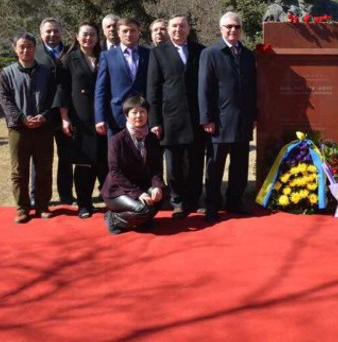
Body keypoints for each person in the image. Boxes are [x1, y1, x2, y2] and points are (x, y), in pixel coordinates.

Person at [198, 12, 257, 223]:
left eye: (237, 27)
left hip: (243, 120)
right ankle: (212, 204)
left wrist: (254, 116)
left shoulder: (248, 55)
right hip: (219, 121)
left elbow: (252, 88)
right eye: (229, 26)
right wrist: (206, 118)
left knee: (240, 164)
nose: (233, 30)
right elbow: (204, 89)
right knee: (215, 165)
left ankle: (235, 200)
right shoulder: (210, 53)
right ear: (221, 28)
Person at [148, 14, 207, 218]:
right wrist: (154, 121)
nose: (178, 30)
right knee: (173, 165)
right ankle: (177, 201)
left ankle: (194, 199)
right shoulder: (158, 53)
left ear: (188, 29)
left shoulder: (201, 51)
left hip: (196, 117)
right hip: (170, 118)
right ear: (168, 29)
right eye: (174, 26)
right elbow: (153, 90)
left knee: (196, 161)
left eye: (182, 26)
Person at [0, 33, 58, 223]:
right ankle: (22, 207)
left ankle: (42, 205)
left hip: (43, 127)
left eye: (29, 46)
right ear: (15, 49)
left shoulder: (46, 71)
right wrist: (22, 118)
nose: (26, 50)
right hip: (19, 129)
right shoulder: (7, 73)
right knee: (19, 170)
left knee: (43, 168)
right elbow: (6, 100)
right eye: (22, 47)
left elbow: (52, 98)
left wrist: (44, 116)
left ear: (35, 48)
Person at [56, 21, 107, 219]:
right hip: (80, 119)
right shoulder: (69, 59)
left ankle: (108, 200)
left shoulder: (105, 57)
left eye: (92, 34)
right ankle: (84, 204)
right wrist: (64, 117)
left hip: (103, 118)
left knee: (104, 163)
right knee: (84, 163)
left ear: (97, 37)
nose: (89, 38)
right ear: (77, 36)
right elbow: (62, 91)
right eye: (85, 34)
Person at [102, 94, 165, 234]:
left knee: (161, 194)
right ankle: (112, 219)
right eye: (134, 112)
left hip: (141, 185)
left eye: (142, 112)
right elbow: (115, 172)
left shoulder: (152, 138)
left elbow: (156, 168)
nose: (139, 116)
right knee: (143, 209)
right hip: (117, 191)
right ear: (126, 115)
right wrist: (137, 193)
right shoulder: (117, 140)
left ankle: (143, 220)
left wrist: (156, 187)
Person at [34, 17, 74, 205]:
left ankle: (66, 195)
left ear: (61, 32)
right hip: (43, 113)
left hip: (67, 113)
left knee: (66, 157)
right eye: (48, 31)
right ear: (41, 34)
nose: (52, 35)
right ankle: (38, 197)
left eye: (56, 31)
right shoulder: (35, 53)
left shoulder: (71, 52)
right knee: (41, 159)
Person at [95, 17, 150, 138]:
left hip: (143, 116)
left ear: (139, 32)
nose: (129, 34)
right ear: (118, 33)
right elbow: (101, 89)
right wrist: (100, 118)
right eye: (125, 31)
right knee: (117, 155)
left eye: (133, 30)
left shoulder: (149, 54)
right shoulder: (107, 56)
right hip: (116, 117)